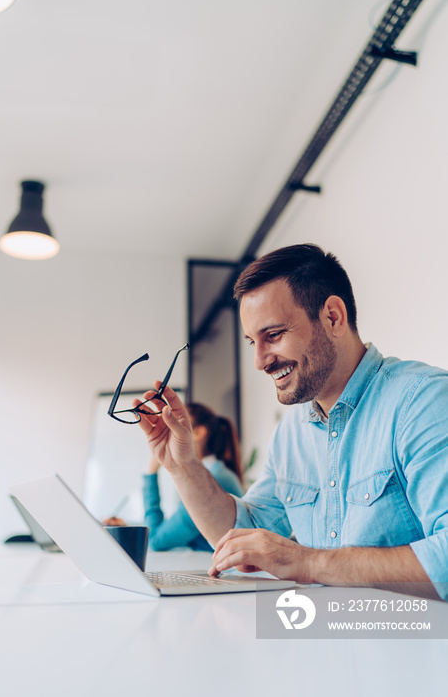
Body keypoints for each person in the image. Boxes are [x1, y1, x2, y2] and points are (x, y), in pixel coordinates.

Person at [135, 244, 448, 601]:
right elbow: (244, 536)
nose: (259, 361)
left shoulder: (423, 402)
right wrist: (183, 466)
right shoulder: (291, 433)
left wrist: (309, 563)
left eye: (274, 335)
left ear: (333, 317)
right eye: (252, 341)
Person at [106, 403, 244, 551]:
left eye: (173, 424)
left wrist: (151, 471)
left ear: (198, 433)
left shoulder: (214, 480)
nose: (164, 433)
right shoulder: (216, 473)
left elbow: (156, 541)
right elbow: (166, 532)